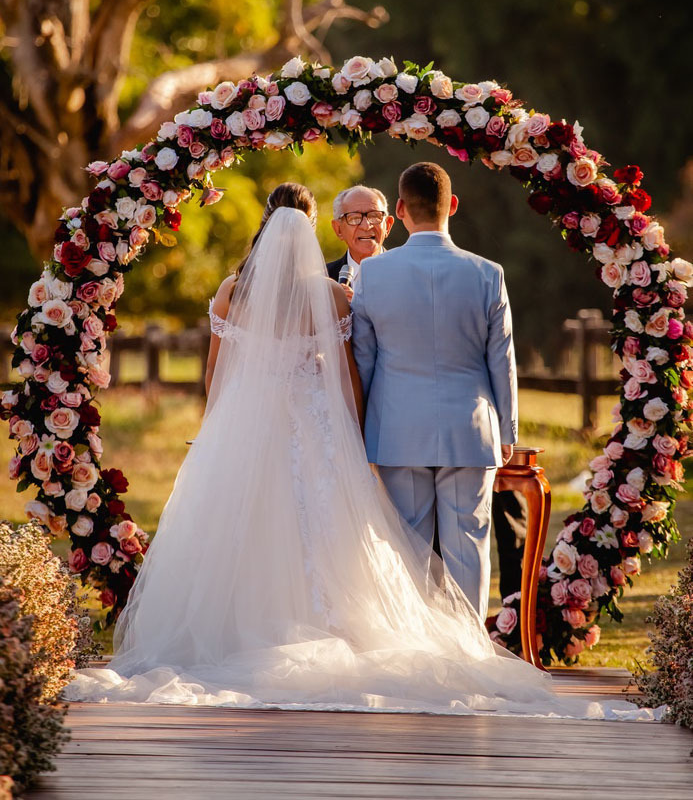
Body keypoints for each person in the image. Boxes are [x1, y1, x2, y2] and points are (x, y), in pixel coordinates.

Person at [63, 181, 654, 720]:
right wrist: (353, 433)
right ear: (320, 226)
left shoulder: (228, 294)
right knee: (349, 535)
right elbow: (352, 376)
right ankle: (457, 637)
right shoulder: (335, 296)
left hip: (245, 433)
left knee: (247, 531)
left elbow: (216, 377)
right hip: (326, 431)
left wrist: (219, 433)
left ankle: (240, 635)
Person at [351, 162, 516, 621]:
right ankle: (471, 655)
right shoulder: (488, 273)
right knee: (469, 548)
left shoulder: (372, 274)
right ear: (453, 206)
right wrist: (508, 430)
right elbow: (501, 359)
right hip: (470, 428)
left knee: (408, 550)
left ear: (398, 210)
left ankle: (417, 656)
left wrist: (356, 430)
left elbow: (363, 361)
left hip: (397, 430)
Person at [326, 185, 394, 299]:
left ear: (388, 225)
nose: (366, 226)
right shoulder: (323, 279)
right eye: (355, 218)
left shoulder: (406, 275)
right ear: (338, 229)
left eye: (374, 216)